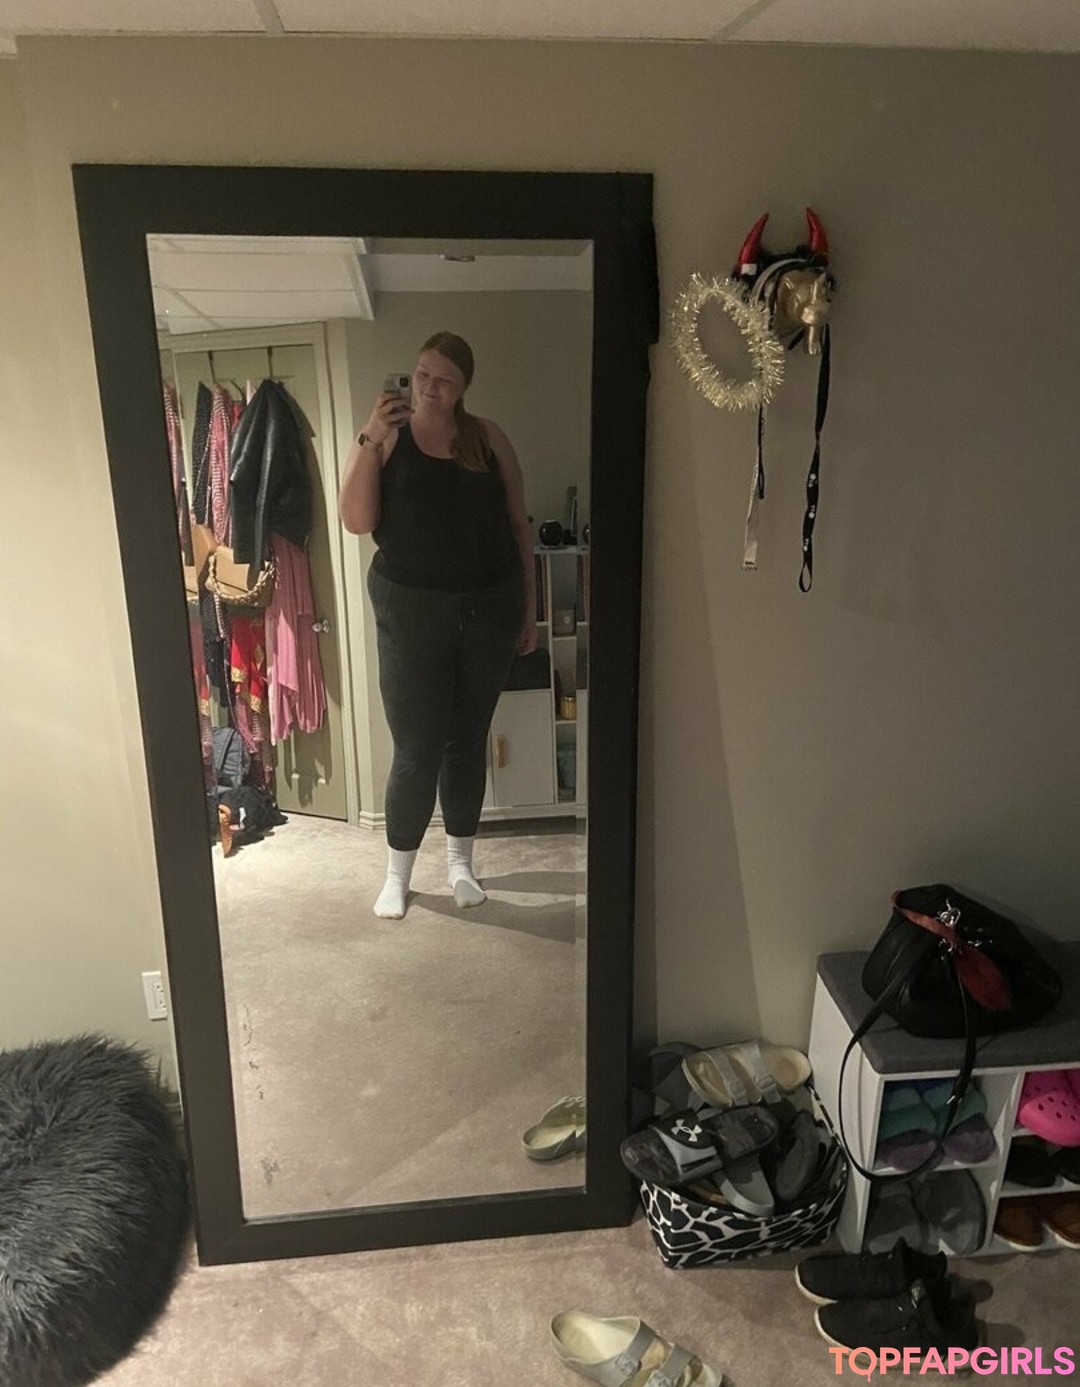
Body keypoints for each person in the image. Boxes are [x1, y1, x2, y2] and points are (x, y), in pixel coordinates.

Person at [339, 332, 537, 919]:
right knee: (416, 745)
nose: (429, 386)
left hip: (489, 605)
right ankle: (397, 875)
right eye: (423, 373)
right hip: (410, 610)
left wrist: (528, 609)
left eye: (444, 379)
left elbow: (518, 526)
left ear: (463, 388)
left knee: (467, 739)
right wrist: (369, 435)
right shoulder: (385, 438)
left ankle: (460, 866)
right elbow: (356, 520)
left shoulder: (488, 438)